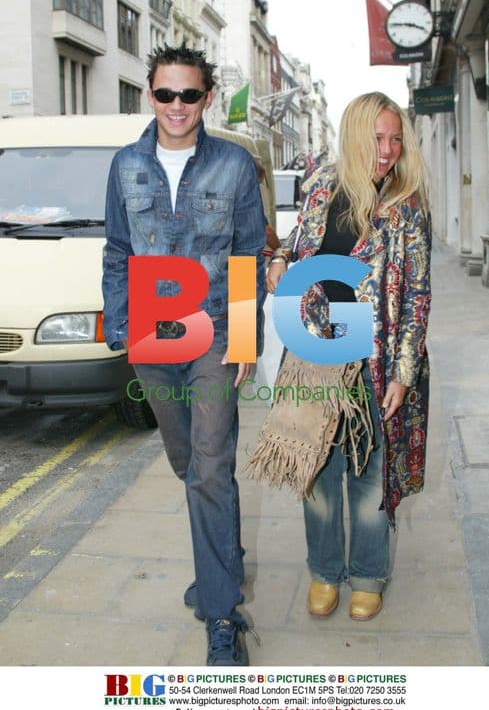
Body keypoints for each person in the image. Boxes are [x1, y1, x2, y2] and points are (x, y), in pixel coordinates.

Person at [102, 43, 266, 665]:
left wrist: (245, 335)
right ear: (150, 95)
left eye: (189, 94)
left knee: (210, 464)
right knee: (189, 462)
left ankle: (222, 617)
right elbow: (118, 251)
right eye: (166, 93)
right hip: (152, 333)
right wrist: (123, 330)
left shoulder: (234, 164)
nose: (177, 105)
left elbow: (247, 252)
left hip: (215, 328)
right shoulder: (125, 166)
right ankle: (223, 552)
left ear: (207, 98)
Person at [266, 91, 431, 621]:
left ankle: (367, 574)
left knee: (369, 471)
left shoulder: (406, 205)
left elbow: (417, 296)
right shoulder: (321, 187)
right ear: (355, 136)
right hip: (317, 347)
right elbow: (297, 242)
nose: (388, 149)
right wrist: (280, 258)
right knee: (316, 466)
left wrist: (403, 374)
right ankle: (323, 570)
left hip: (375, 354)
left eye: (395, 139)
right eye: (377, 137)